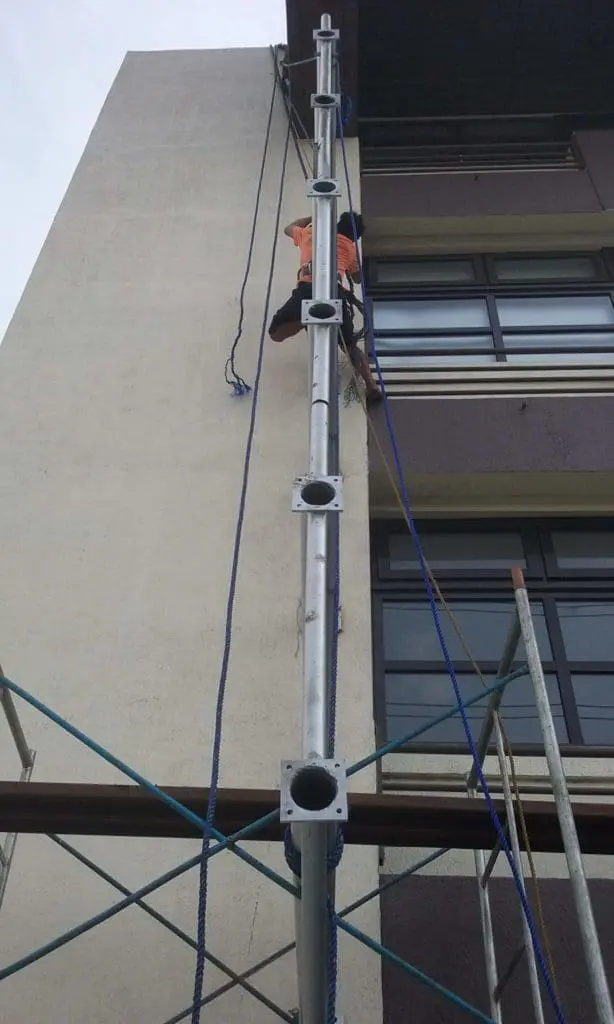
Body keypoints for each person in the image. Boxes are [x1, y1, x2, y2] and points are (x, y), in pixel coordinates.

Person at [268, 211, 382, 406]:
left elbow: (288, 228)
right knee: (350, 345)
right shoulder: (349, 247)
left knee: (275, 332)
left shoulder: (310, 234)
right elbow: (356, 278)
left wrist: (312, 217)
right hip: (335, 294)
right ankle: (371, 385)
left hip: (307, 289)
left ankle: (305, 318)